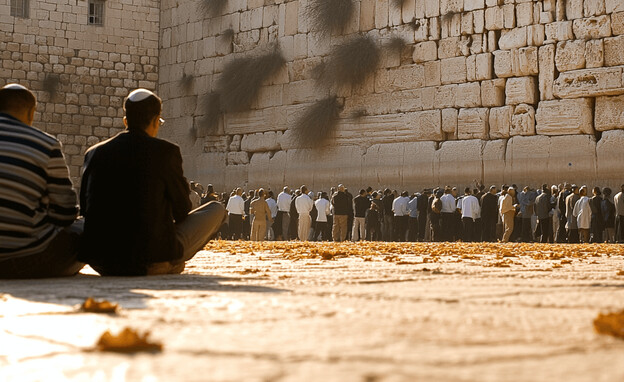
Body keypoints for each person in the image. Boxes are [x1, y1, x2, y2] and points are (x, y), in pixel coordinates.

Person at [79, 89, 225, 276]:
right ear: (156, 121)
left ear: (125, 121)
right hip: (151, 254)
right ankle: (165, 263)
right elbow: (182, 210)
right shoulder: (166, 152)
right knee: (216, 209)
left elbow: (85, 209)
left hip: (101, 259)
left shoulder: (94, 153)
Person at [0, 84, 84, 278]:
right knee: (83, 229)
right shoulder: (45, 144)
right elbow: (65, 213)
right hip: (25, 258)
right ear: (31, 112)